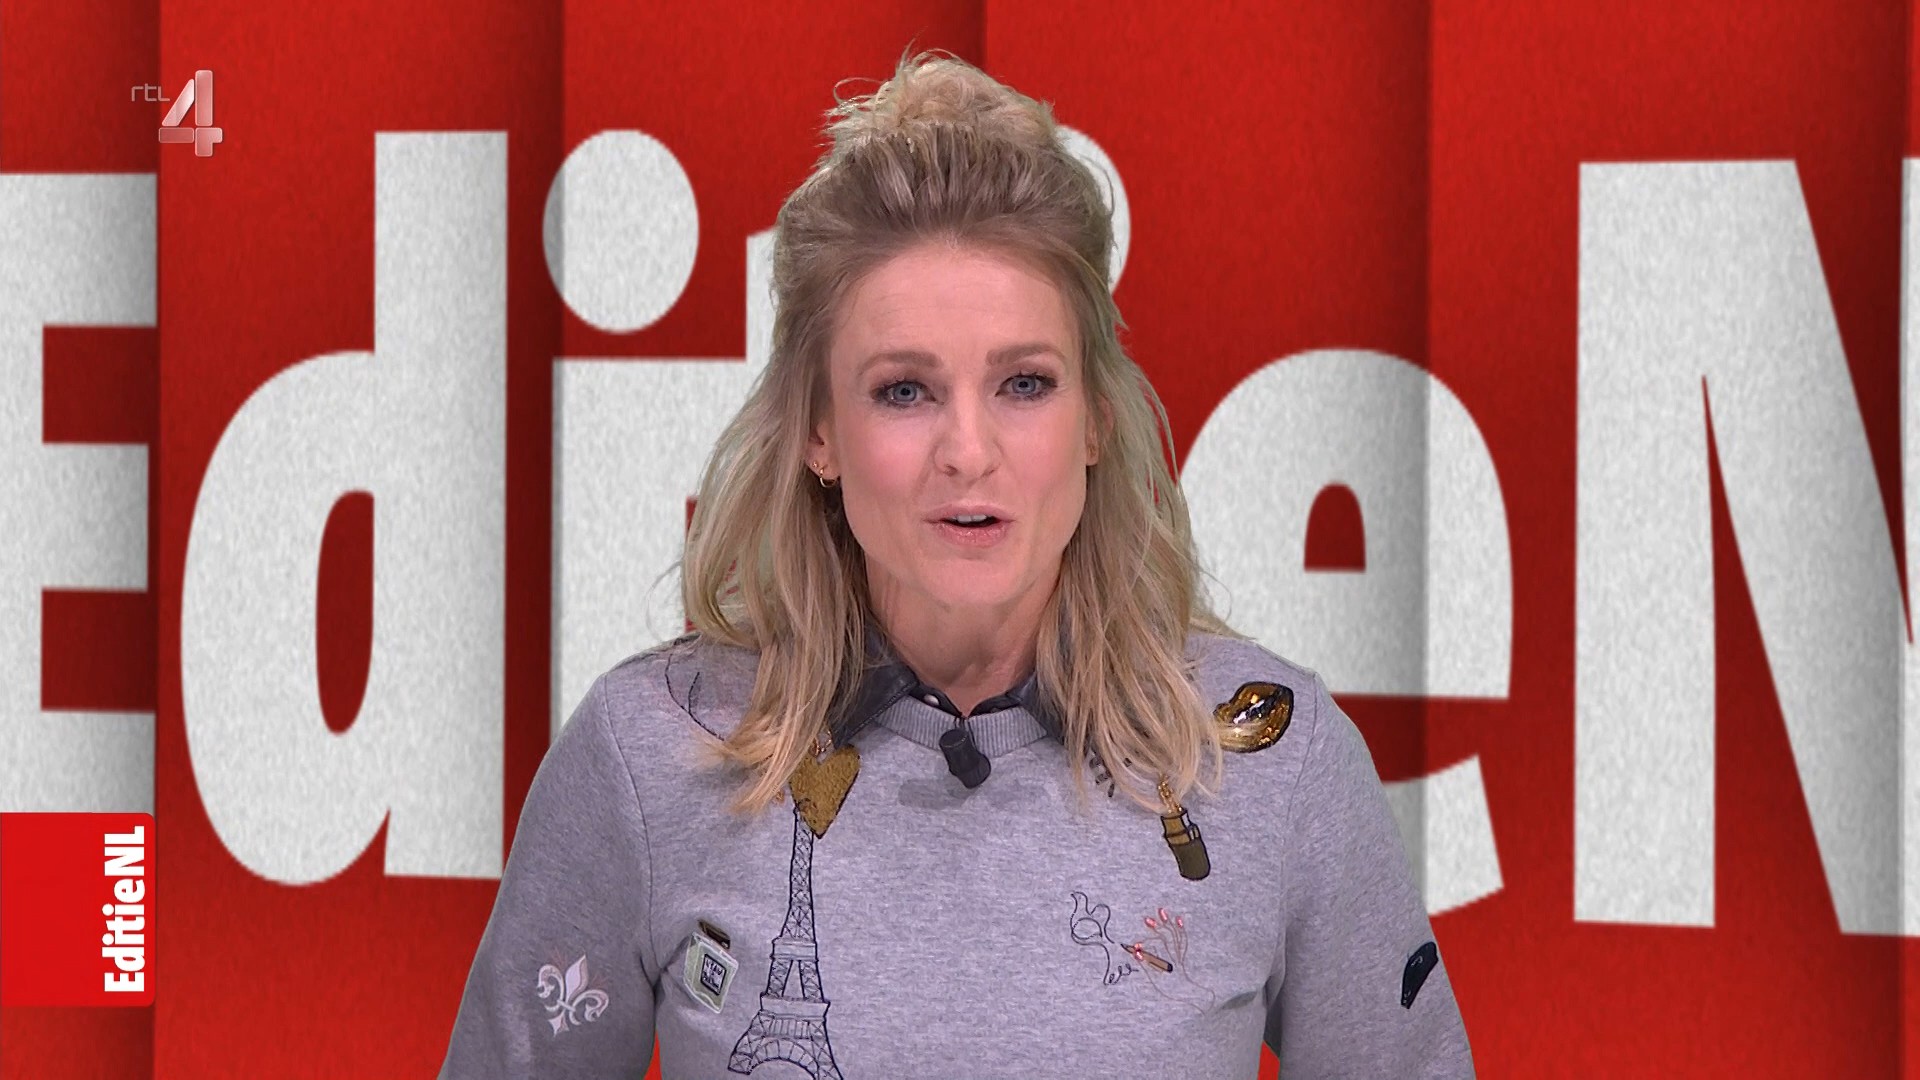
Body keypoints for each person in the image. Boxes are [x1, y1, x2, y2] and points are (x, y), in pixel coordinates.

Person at [439, 51, 1474, 1079]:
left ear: (1094, 423)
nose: (969, 451)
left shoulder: (1275, 762)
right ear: (819, 433)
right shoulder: (649, 753)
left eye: (1025, 384)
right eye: (905, 391)